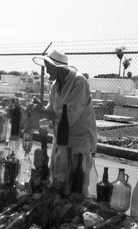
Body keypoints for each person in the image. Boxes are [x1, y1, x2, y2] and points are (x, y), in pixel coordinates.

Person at [32, 50, 97, 196]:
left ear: (57, 67)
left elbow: (68, 117)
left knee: (75, 188)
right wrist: (40, 109)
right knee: (58, 184)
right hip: (61, 141)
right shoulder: (55, 86)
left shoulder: (79, 82)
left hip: (78, 142)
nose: (46, 69)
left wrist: (42, 112)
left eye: (48, 66)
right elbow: (52, 110)